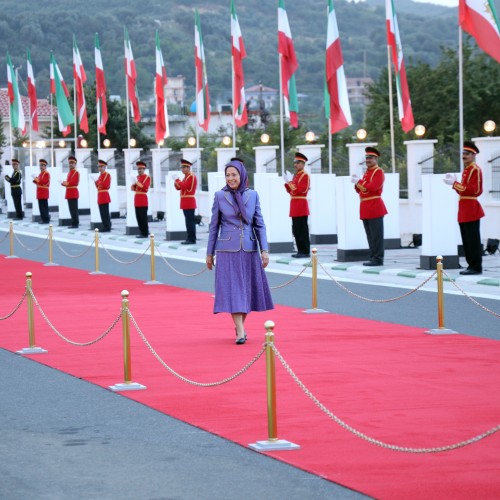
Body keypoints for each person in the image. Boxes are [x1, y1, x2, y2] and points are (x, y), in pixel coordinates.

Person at [206, 159, 274, 345]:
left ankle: (240, 326)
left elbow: (259, 224)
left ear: (242, 175)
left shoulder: (253, 196)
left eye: (234, 175)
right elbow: (214, 226)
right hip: (227, 250)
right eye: (227, 175)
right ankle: (241, 331)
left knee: (246, 291)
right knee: (234, 290)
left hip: (249, 249)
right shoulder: (220, 196)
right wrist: (209, 253)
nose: (230, 178)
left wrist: (264, 250)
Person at [444, 141, 484, 275]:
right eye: (463, 153)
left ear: (473, 155)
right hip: (464, 208)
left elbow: (475, 190)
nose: (464, 156)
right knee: (466, 239)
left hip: (471, 208)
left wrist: (455, 184)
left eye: (467, 154)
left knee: (472, 239)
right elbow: (463, 191)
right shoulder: (467, 170)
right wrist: (455, 183)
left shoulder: (475, 169)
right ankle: (471, 265)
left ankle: (476, 266)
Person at [351, 146, 388, 267]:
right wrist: (357, 182)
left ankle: (378, 258)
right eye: (366, 157)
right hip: (366, 206)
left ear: (376, 159)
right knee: (370, 235)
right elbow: (360, 190)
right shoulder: (367, 172)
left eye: (370, 158)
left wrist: (359, 182)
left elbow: (372, 187)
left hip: (374, 206)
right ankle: (373, 256)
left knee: (376, 235)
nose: (367, 160)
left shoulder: (378, 171)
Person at [284, 152, 310, 258]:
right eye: (295, 163)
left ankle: (305, 251)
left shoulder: (305, 176)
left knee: (302, 229)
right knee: (296, 230)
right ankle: (300, 250)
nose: (296, 165)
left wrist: (290, 183)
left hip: (301, 204)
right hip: (294, 204)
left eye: (298, 163)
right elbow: (290, 191)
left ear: (303, 164)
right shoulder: (296, 176)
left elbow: (300, 190)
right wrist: (288, 183)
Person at [173, 158, 197, 244]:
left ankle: (192, 239)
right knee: (188, 221)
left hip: (189, 201)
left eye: (184, 167)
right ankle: (189, 238)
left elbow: (184, 186)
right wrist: (175, 182)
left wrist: (177, 180)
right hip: (185, 201)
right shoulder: (186, 177)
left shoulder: (191, 176)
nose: (182, 169)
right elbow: (179, 188)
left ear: (188, 167)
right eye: (182, 167)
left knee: (190, 222)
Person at [131, 160, 150, 238]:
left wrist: (137, 182)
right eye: (138, 169)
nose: (139, 170)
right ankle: (141, 231)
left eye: (140, 169)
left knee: (143, 217)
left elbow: (144, 187)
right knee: (138, 217)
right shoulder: (137, 177)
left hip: (142, 199)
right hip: (137, 199)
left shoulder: (146, 177)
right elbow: (133, 188)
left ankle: (145, 232)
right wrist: (133, 184)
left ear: (144, 169)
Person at [61, 155, 80, 228]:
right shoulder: (69, 172)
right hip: (69, 192)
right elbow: (68, 183)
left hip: (73, 192)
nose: (71, 164)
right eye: (70, 163)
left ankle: (75, 223)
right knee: (71, 209)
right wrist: (63, 183)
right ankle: (73, 222)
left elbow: (74, 182)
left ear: (75, 164)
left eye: (72, 163)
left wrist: (65, 183)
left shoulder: (76, 172)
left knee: (74, 209)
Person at [95, 159, 112, 232]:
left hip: (104, 195)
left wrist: (98, 182)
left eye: (101, 167)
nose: (100, 168)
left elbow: (106, 185)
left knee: (105, 212)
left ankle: (107, 226)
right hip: (100, 195)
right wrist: (96, 182)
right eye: (99, 167)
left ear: (104, 167)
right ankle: (104, 225)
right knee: (101, 212)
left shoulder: (107, 175)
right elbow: (98, 186)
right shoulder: (100, 176)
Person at [33, 159, 50, 224]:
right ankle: (43, 219)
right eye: (40, 165)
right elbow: (38, 181)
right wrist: (35, 179)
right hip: (40, 192)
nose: (41, 166)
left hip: (44, 192)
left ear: (45, 166)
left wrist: (36, 179)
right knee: (41, 207)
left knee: (44, 207)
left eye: (43, 165)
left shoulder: (46, 173)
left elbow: (43, 182)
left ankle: (46, 219)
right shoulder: (40, 173)